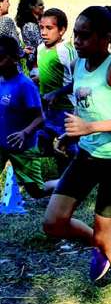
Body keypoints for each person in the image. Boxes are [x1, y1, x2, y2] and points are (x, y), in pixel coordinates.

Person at [42, 6, 111, 304]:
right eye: (76, 34)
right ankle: (100, 245)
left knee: (108, 232)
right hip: (86, 155)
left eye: (85, 35)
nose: (78, 40)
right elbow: (88, 108)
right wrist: (69, 134)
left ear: (106, 37)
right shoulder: (78, 63)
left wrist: (90, 129)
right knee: (53, 222)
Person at [0, 36, 57, 199]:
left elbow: (40, 118)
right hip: (1, 145)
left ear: (13, 58)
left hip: (23, 148)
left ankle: (67, 183)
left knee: (37, 191)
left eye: (1, 59)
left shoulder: (25, 85)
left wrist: (24, 132)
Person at [37, 8, 78, 174]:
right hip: (47, 109)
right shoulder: (40, 49)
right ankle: (62, 171)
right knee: (42, 143)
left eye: (49, 28)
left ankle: (72, 180)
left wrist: (57, 93)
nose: (44, 32)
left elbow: (80, 80)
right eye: (41, 27)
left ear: (62, 30)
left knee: (69, 146)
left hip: (66, 109)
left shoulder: (66, 51)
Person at [15, 0, 44, 75]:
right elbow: (41, 45)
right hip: (37, 68)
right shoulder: (30, 26)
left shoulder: (34, 23)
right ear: (32, 7)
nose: (43, 7)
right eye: (40, 5)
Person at [0, 0, 23, 69]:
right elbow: (17, 48)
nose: (9, 4)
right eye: (7, 1)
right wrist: (24, 52)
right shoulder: (6, 21)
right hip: (9, 70)